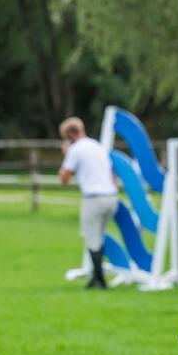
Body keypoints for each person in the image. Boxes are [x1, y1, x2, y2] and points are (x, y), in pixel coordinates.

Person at [58, 116, 118, 289]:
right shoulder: (97, 145)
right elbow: (112, 174)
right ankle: (95, 277)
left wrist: (65, 154)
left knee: (92, 238)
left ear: (70, 135)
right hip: (111, 197)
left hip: (94, 198)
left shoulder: (75, 149)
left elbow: (64, 178)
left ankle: (100, 280)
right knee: (99, 237)